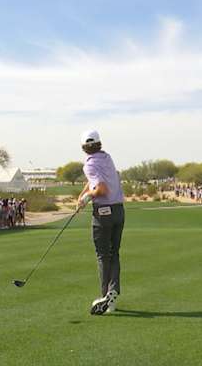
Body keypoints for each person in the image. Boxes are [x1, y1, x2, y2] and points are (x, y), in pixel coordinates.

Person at [78, 130, 125, 316]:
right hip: (119, 211)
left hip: (103, 213)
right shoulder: (107, 158)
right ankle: (112, 293)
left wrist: (87, 198)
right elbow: (94, 181)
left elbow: (101, 189)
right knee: (114, 253)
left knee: (103, 256)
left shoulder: (89, 164)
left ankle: (105, 296)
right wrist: (82, 195)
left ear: (83, 147)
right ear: (99, 143)